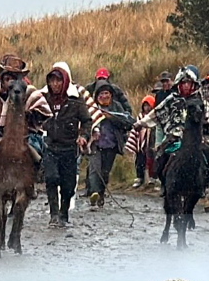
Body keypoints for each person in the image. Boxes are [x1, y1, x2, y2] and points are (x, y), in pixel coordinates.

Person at [133, 66, 200, 195]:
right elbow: (157, 112)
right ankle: (164, 183)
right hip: (174, 136)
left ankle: (206, 186)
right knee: (160, 157)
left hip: (195, 137)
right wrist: (141, 123)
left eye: (189, 83)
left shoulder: (199, 99)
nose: (186, 85)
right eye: (183, 83)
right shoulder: (172, 99)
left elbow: (208, 116)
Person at [40, 63, 92, 227]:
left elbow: (87, 121)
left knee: (68, 185)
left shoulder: (75, 100)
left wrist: (83, 136)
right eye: (52, 81)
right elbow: (32, 115)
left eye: (58, 81)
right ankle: (54, 215)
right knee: (51, 178)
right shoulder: (43, 98)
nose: (55, 84)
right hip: (49, 146)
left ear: (65, 82)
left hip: (69, 148)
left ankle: (64, 214)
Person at [0, 54, 51, 160]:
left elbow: (44, 110)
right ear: (2, 78)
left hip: (25, 133)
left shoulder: (28, 91)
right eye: (7, 79)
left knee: (38, 153)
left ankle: (40, 168)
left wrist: (29, 115)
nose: (9, 82)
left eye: (13, 79)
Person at [86, 81, 134, 208]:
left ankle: (101, 194)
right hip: (95, 145)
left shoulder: (117, 107)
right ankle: (94, 193)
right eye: (101, 94)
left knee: (105, 173)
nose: (104, 96)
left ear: (111, 95)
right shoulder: (92, 108)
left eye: (106, 93)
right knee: (94, 170)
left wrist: (111, 117)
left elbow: (127, 123)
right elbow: (85, 123)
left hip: (111, 146)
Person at [125, 94, 156, 188]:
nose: (147, 108)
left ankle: (152, 178)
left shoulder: (155, 117)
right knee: (140, 160)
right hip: (140, 143)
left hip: (151, 143)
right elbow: (136, 130)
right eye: (145, 106)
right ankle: (139, 178)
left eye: (148, 105)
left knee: (152, 160)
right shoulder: (140, 117)